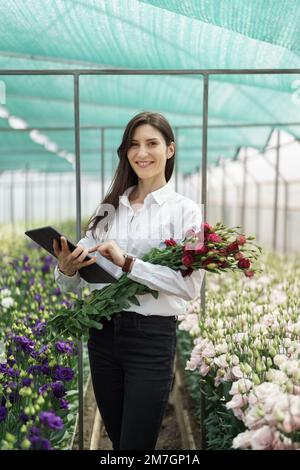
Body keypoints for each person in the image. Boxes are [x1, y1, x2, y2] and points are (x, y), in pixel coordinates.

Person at [53, 111, 204, 450]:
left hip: (150, 340)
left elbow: (190, 286)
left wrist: (129, 263)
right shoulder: (108, 209)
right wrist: (68, 268)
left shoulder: (189, 213)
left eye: (152, 143)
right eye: (134, 145)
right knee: (121, 442)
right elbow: (71, 285)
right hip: (102, 337)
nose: (142, 153)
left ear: (170, 149)